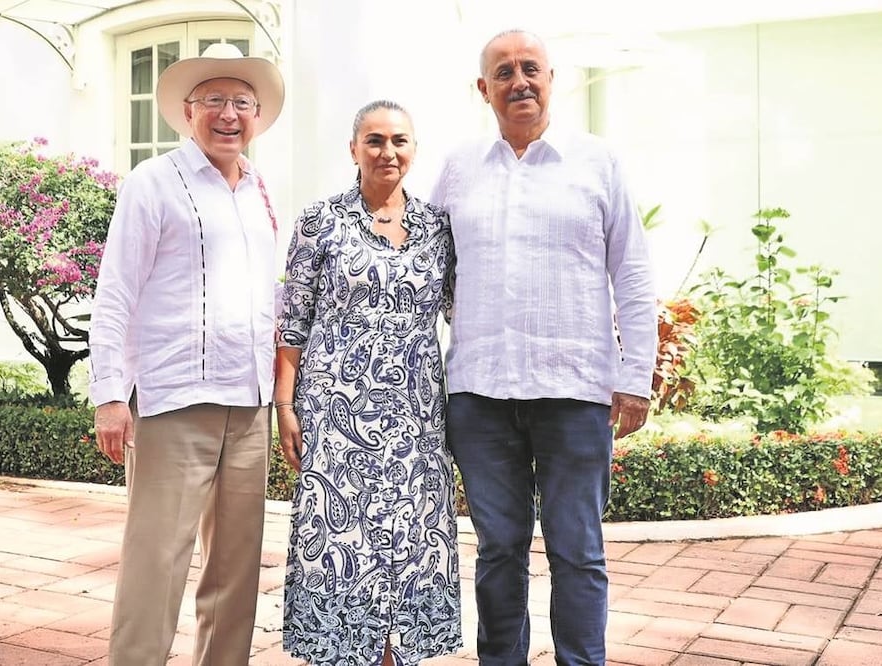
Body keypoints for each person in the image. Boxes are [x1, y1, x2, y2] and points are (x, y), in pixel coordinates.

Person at [430, 30, 657, 666]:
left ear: (552, 79)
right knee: (498, 549)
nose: (519, 81)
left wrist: (635, 375)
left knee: (577, 549)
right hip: (481, 393)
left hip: (574, 390)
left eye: (530, 68)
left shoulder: (597, 161)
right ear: (484, 89)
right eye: (503, 72)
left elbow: (633, 273)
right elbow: (432, 272)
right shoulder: (457, 168)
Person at [88, 43, 284, 665]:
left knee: (236, 572)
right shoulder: (153, 182)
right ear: (188, 109)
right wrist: (110, 396)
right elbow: (114, 293)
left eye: (242, 103)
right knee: (157, 564)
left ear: (257, 114)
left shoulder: (259, 189)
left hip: (248, 405)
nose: (230, 115)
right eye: (216, 101)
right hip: (175, 402)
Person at [275, 100, 462, 666]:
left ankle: (394, 655)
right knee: (340, 544)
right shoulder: (320, 221)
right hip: (335, 413)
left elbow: (462, 308)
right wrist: (285, 405)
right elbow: (293, 319)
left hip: (417, 416)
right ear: (353, 149)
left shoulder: (437, 227)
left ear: (414, 148)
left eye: (399, 140)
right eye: (375, 140)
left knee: (411, 542)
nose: (388, 152)